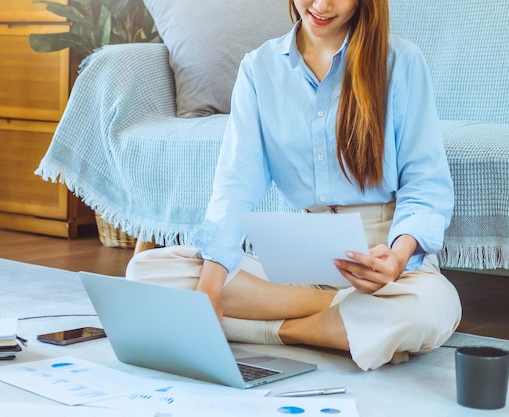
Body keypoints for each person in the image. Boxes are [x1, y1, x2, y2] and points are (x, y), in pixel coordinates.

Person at [126, 0, 462, 371]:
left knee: (430, 308)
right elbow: (236, 183)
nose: (320, 5)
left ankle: (278, 331)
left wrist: (397, 259)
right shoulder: (259, 68)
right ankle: (345, 322)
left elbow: (425, 184)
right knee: (145, 273)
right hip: (299, 261)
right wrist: (211, 282)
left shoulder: (401, 62)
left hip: (381, 259)